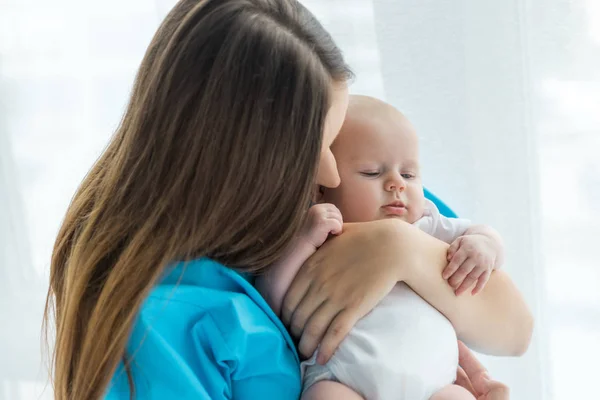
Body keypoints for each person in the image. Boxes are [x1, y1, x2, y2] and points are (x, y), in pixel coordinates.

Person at [43, 1, 533, 399]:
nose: (329, 170)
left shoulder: (379, 203)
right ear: (243, 160)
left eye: (336, 138)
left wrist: (399, 250)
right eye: (316, 147)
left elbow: (514, 330)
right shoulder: (158, 325)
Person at [256, 95, 506, 400]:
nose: (397, 184)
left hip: (437, 386)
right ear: (319, 188)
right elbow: (271, 298)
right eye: (372, 172)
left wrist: (485, 244)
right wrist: (304, 241)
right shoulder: (316, 235)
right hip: (342, 377)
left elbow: (484, 235)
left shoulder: (427, 224)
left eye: (409, 174)